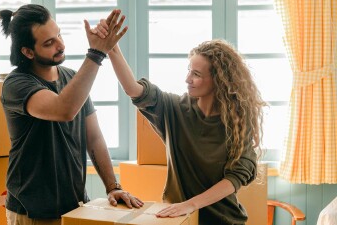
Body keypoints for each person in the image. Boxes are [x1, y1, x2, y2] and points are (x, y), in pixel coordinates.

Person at [94, 18, 266, 225]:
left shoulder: (237, 122)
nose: (187, 79)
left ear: (219, 80)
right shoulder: (174, 109)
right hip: (178, 219)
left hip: (223, 220)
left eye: (196, 74)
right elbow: (134, 89)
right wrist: (112, 49)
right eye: (188, 70)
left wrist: (191, 204)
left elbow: (235, 178)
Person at [0, 5, 143, 225]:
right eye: (49, 43)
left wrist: (113, 187)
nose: (60, 44)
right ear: (28, 52)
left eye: (58, 34)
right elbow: (63, 110)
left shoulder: (72, 78)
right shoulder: (16, 85)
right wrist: (96, 53)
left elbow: (93, 137)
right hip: (32, 212)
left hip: (75, 206)